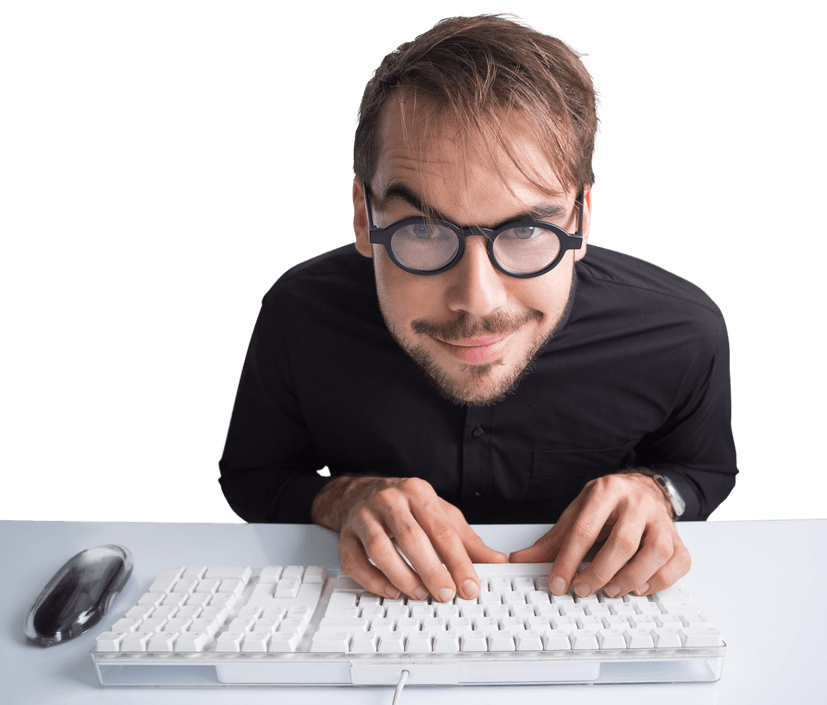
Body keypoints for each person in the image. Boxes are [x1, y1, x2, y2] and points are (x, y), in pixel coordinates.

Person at [219, 14, 737, 606]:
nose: (477, 300)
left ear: (582, 218)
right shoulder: (298, 316)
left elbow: (706, 471)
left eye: (527, 230)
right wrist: (341, 498)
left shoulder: (683, 332)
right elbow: (252, 477)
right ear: (364, 216)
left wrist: (655, 491)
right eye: (421, 229)